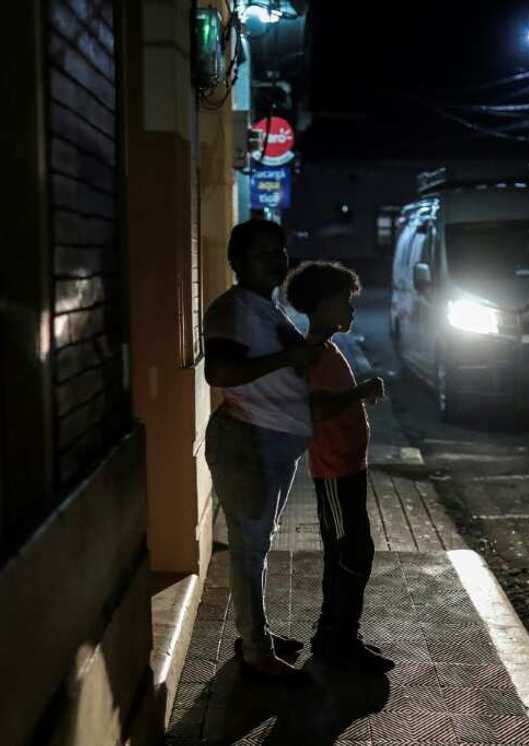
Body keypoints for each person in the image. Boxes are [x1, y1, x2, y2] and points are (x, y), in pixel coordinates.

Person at [203, 219, 321, 681]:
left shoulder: (265, 308)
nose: (277, 261)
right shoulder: (233, 310)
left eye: (281, 251)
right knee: (249, 549)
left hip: (270, 443)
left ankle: (257, 637)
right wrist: (288, 358)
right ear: (236, 261)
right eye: (264, 253)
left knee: (259, 544)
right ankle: (255, 649)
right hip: (247, 441)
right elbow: (221, 372)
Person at [283, 261, 394, 673]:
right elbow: (313, 408)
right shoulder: (312, 352)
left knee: (352, 551)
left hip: (348, 468)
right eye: (345, 302)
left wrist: (358, 394)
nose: (351, 311)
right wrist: (359, 392)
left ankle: (339, 634)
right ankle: (336, 639)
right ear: (324, 305)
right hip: (332, 471)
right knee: (350, 552)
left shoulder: (327, 349)